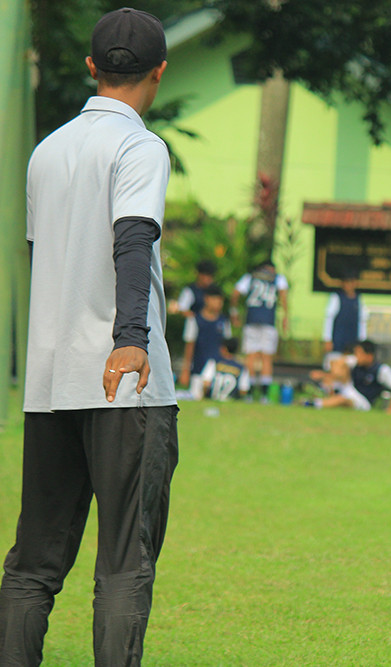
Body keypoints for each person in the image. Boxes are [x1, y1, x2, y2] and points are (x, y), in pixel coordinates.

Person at [1, 8, 179, 666]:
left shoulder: (46, 152)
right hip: (123, 379)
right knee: (125, 563)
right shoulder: (139, 147)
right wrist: (130, 336)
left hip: (50, 381)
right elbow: (133, 239)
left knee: (33, 563)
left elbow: (42, 254)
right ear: (159, 72)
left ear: (90, 68)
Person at [231, 260, 289, 401]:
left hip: (252, 319)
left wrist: (234, 311)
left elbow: (235, 292)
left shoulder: (250, 277)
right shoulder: (278, 278)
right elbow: (283, 296)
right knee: (266, 357)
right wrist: (285, 317)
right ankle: (264, 394)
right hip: (268, 320)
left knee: (250, 355)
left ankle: (249, 392)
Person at [304, 340, 391, 413]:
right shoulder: (356, 363)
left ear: (369, 356)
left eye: (359, 353)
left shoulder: (381, 370)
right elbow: (336, 363)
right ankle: (322, 394)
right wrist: (328, 374)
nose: (356, 356)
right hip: (350, 390)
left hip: (364, 402)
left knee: (342, 399)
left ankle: (315, 404)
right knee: (336, 375)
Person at [179, 283, 231, 389]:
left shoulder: (224, 321)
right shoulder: (194, 320)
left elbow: (226, 347)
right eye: (215, 299)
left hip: (218, 372)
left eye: (220, 300)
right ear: (207, 299)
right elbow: (189, 346)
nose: (218, 303)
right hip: (198, 370)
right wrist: (185, 370)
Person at [321, 271, 366, 365]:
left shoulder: (358, 299)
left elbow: (362, 321)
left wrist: (362, 342)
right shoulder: (336, 297)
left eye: (351, 282)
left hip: (352, 341)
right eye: (346, 282)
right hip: (338, 340)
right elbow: (329, 319)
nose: (348, 285)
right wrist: (327, 339)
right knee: (334, 365)